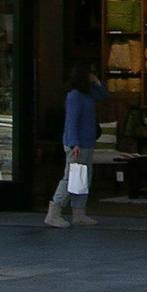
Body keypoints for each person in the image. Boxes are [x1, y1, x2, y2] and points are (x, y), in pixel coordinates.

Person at [45, 61, 103, 229]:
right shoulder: (75, 96)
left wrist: (98, 82)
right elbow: (71, 122)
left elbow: (102, 95)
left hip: (87, 143)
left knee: (83, 178)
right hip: (77, 144)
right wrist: (74, 143)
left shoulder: (88, 94)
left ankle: (79, 213)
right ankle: (54, 213)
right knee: (70, 177)